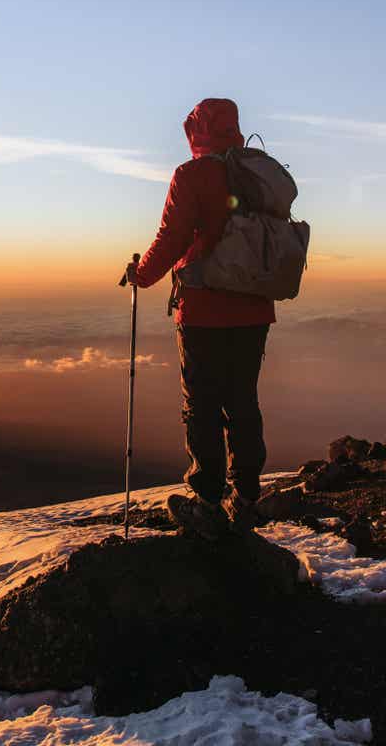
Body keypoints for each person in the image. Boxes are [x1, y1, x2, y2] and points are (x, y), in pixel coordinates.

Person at [123, 97, 275, 536]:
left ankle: (207, 500)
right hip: (254, 308)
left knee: (203, 405)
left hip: (205, 309)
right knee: (243, 401)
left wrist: (142, 274)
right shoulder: (256, 172)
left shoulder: (191, 175)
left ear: (197, 131)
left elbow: (172, 236)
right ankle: (247, 496)